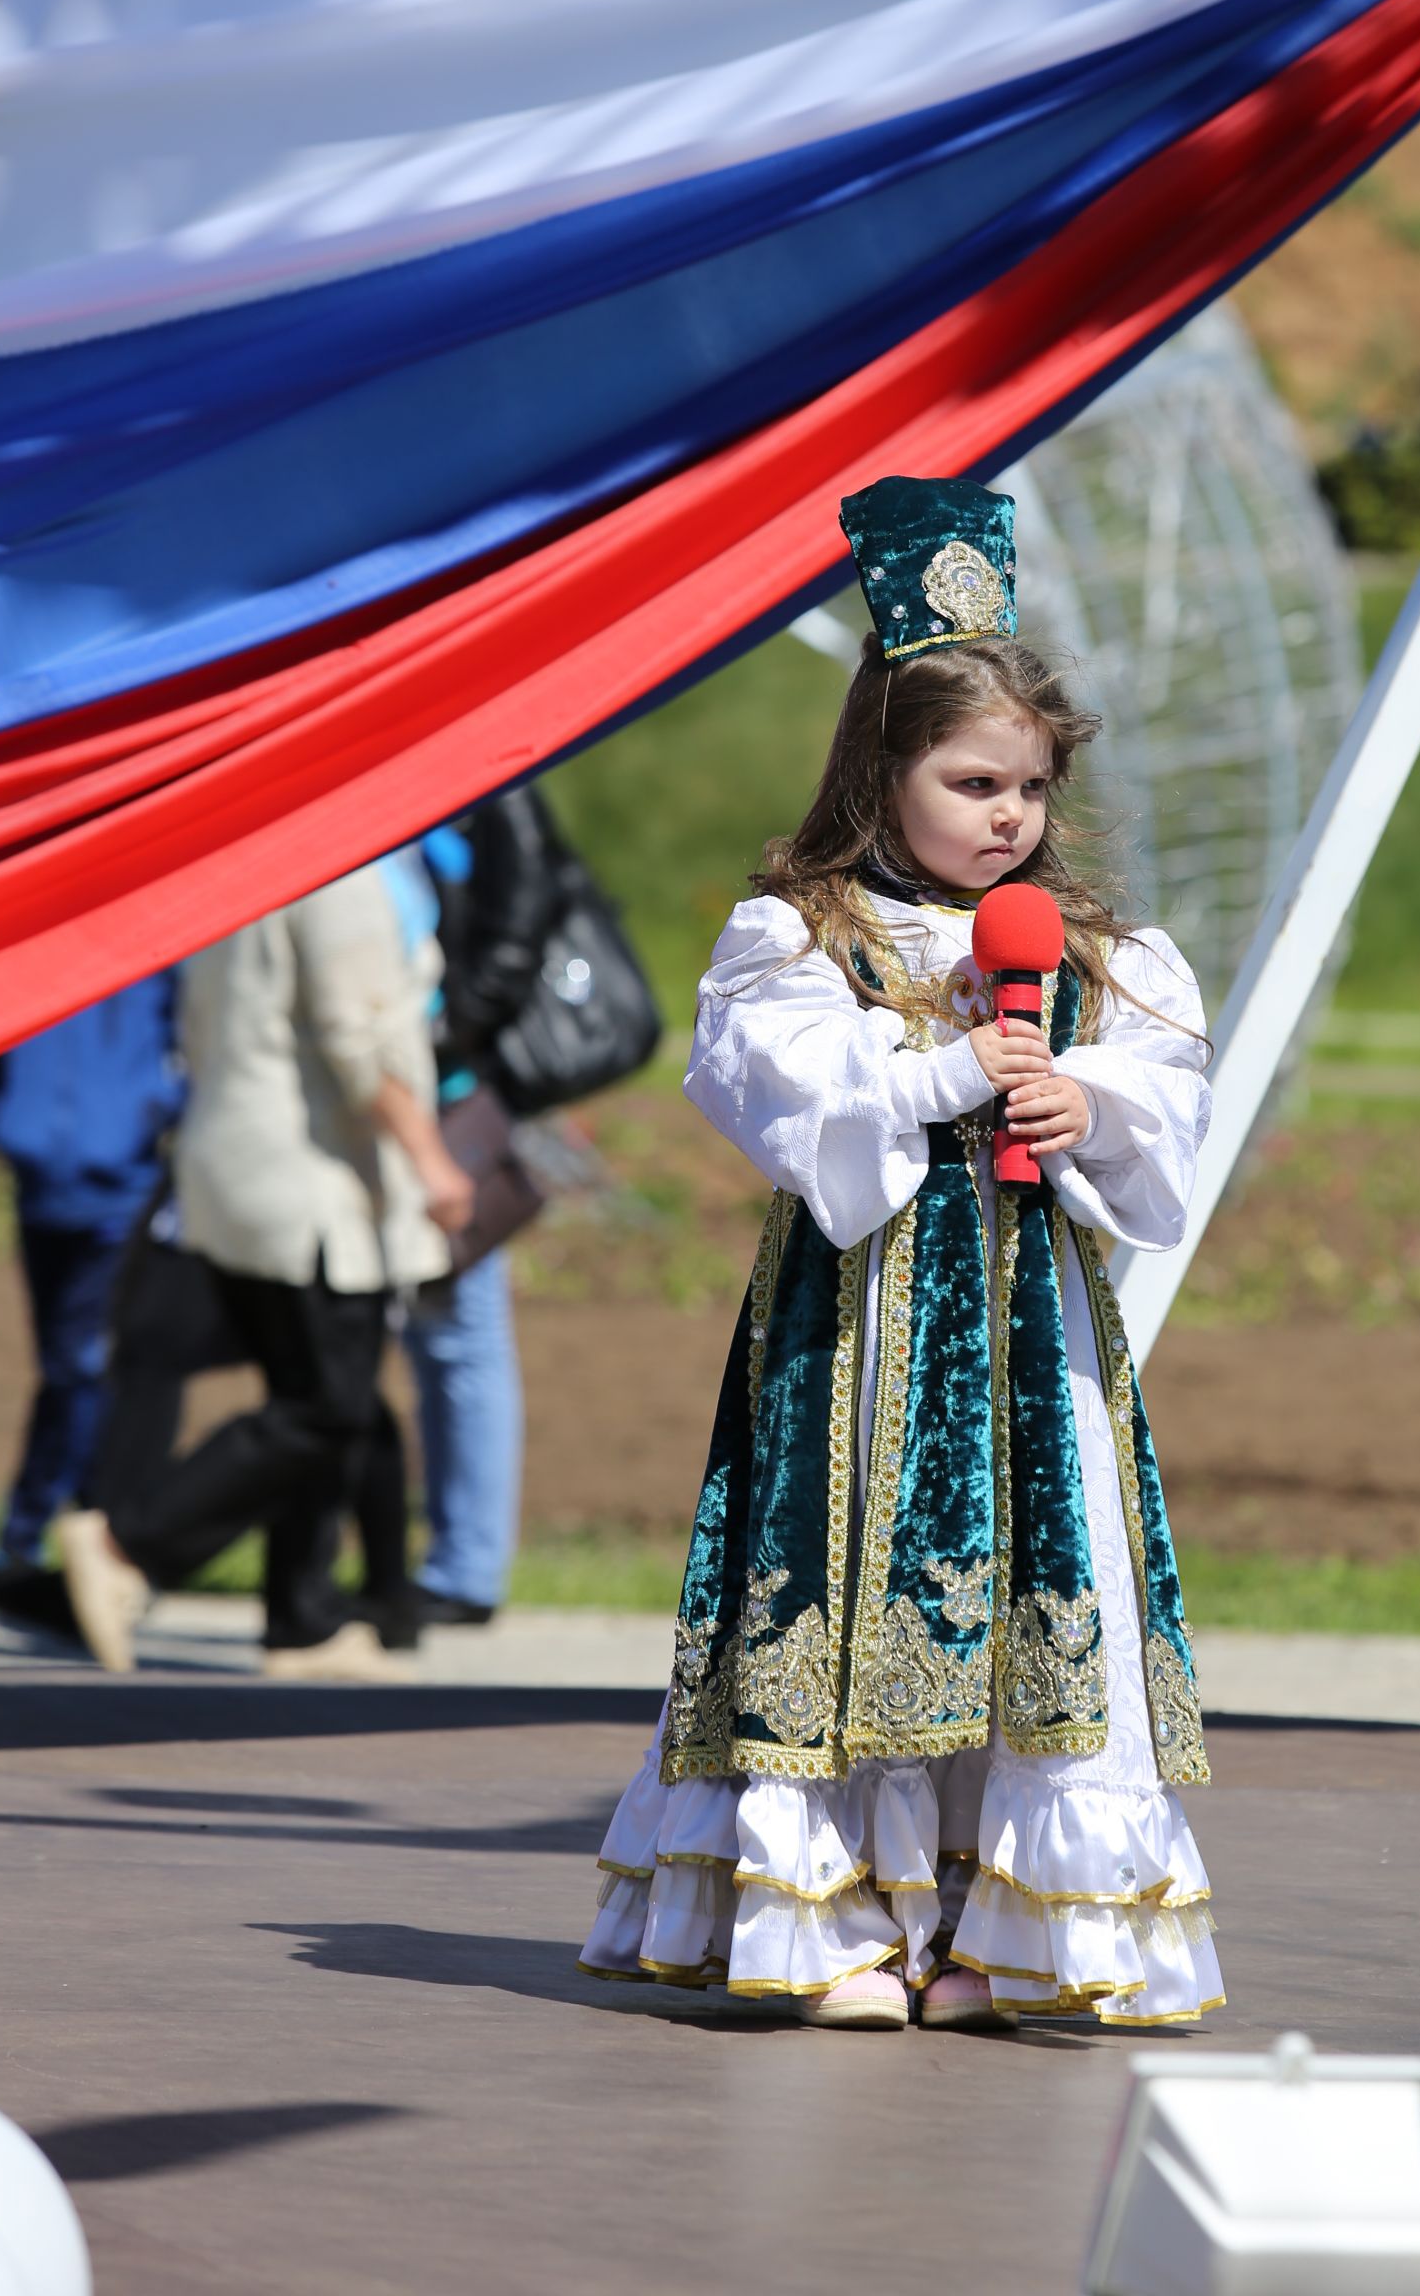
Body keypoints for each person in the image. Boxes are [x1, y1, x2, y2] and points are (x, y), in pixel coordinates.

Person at [578, 476, 1221, 2033]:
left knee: (1033, 1595)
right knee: (840, 1585)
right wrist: (944, 1074)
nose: (1011, 817)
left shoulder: (1092, 953)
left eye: (1032, 788)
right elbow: (787, 1107)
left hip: (1024, 1340)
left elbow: (1165, 1113)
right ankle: (834, 1922)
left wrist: (1086, 1098)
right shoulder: (798, 935)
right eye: (975, 780)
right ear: (885, 768)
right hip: (851, 1336)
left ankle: (1003, 1928)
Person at [57, 863, 473, 1680]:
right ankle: (124, 1543)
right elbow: (358, 1038)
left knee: (308, 1392)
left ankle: (303, 1618)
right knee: (327, 1408)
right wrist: (435, 1163)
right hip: (309, 1184)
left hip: (230, 1165)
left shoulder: (248, 863)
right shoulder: (342, 877)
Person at [401, 793, 560, 1626]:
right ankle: (454, 1560)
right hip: (435, 1077)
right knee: (443, 1328)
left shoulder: (476, 789)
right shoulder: (468, 784)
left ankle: (463, 1565)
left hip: (444, 1089)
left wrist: (460, 1029)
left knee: (458, 1325)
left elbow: (518, 906)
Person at [0, 976, 182, 1627]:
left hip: (124, 1181)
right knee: (66, 1363)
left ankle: (69, 1533)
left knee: (89, 1361)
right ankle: (41, 1539)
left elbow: (194, 1030)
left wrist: (160, 1107)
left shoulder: (154, 949)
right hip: (42, 1175)